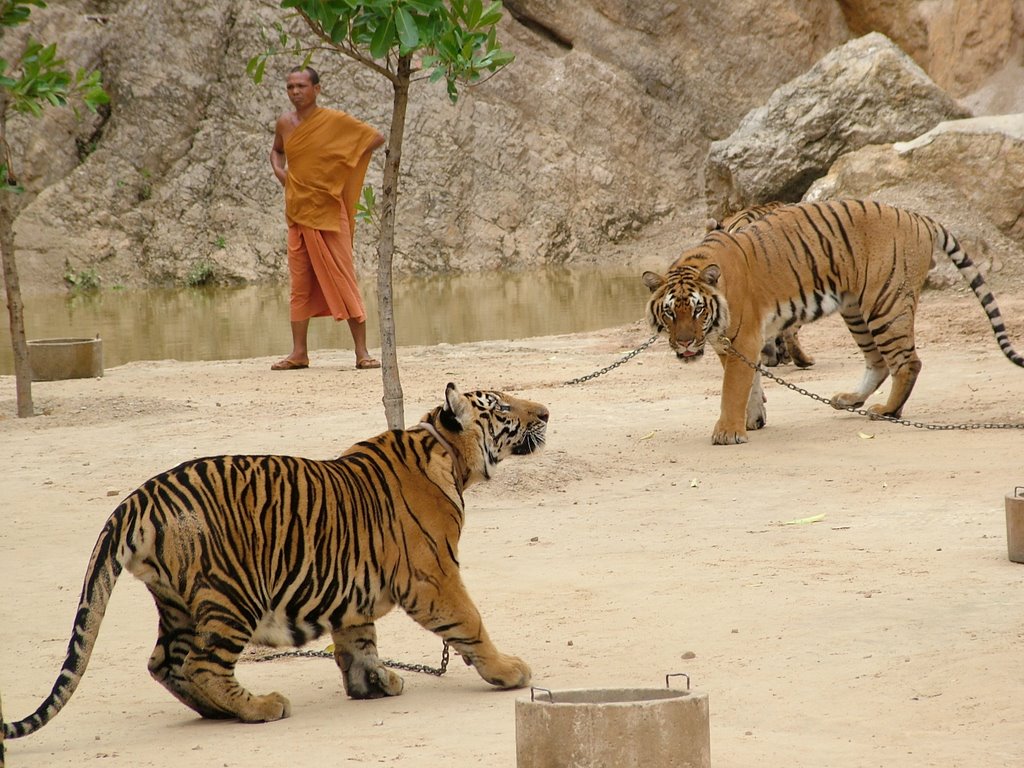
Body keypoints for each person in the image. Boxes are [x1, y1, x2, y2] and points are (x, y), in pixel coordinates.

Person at [269, 66, 386, 371]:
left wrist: (338, 173)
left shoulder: (334, 121)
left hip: (330, 214)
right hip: (297, 213)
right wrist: (281, 173)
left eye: (301, 86)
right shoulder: (284, 123)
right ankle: (299, 353)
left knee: (343, 277)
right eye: (290, 87)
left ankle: (362, 353)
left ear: (317, 89)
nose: (295, 92)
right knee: (300, 284)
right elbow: (277, 151)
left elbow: (374, 138)